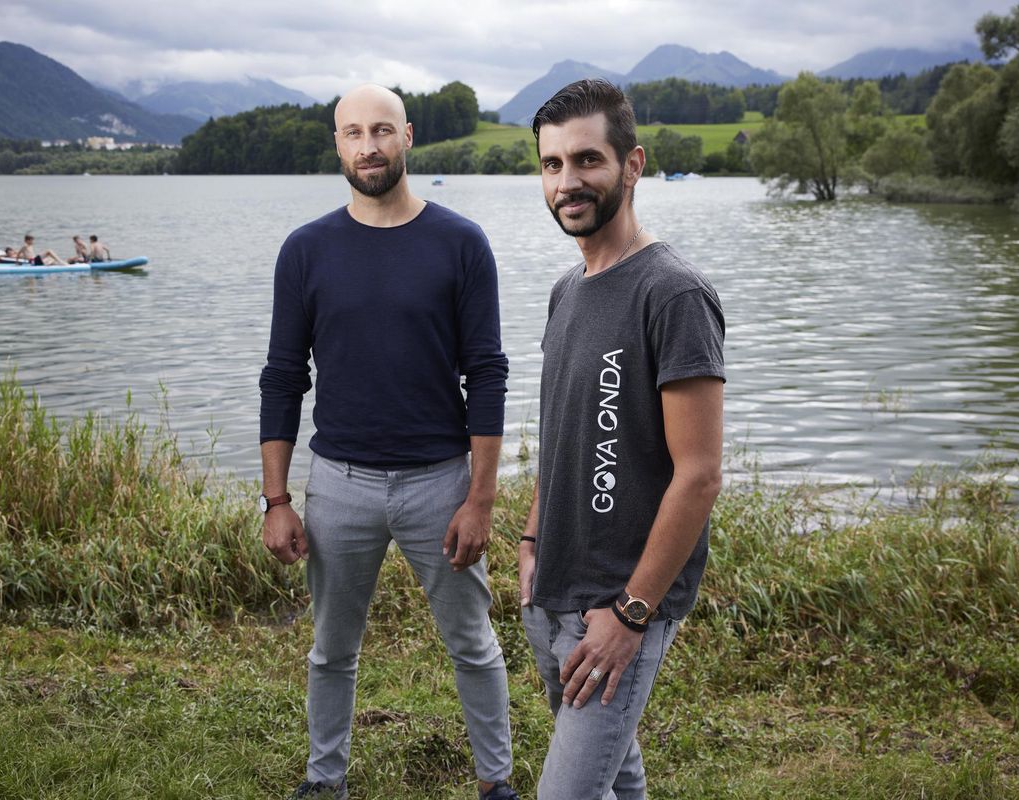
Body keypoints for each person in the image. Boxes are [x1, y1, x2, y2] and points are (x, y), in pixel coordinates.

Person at [259, 83, 518, 800]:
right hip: (338, 484)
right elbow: (282, 378)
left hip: (442, 482)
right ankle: (324, 782)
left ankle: (495, 783)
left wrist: (481, 496)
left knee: (473, 644)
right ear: (336, 144)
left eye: (381, 130)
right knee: (331, 652)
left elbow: (488, 375)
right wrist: (276, 498)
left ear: (408, 136)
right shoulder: (305, 250)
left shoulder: (461, 243)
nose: (367, 146)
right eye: (352, 133)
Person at [518, 78, 725, 800]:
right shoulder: (566, 290)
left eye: (587, 161)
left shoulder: (672, 293)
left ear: (632, 165)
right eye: (551, 165)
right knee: (615, 776)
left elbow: (698, 475)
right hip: (551, 593)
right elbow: (563, 437)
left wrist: (633, 612)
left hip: (618, 605)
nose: (568, 182)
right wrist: (530, 543)